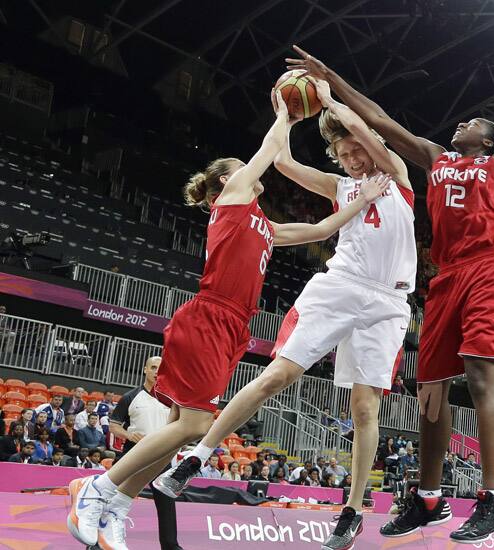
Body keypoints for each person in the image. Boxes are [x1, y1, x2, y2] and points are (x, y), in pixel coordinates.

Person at [286, 36, 494, 543]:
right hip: (447, 277)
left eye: (473, 123)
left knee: (480, 376)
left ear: (490, 142)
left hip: (491, 270)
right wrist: (330, 78)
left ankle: (493, 500)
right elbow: (381, 119)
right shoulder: (435, 157)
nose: (461, 122)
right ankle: (428, 499)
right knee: (429, 392)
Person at [66, 92, 391, 549]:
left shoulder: (262, 225)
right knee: (197, 426)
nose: (250, 171)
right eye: (241, 167)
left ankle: (119, 504)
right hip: (209, 316)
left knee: (177, 430)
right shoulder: (233, 200)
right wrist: (284, 116)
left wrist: (365, 200)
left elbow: (320, 231)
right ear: (226, 179)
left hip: (233, 327)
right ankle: (98, 487)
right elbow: (265, 154)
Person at [155, 79, 417, 550]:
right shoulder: (341, 185)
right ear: (337, 156)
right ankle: (198, 455)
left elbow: (368, 129)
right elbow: (281, 163)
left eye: (359, 149)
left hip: (390, 302)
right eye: (345, 151)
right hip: (340, 286)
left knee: (364, 407)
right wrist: (288, 112)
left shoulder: (396, 175)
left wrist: (333, 103)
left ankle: (353, 510)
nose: (355, 158)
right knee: (278, 375)